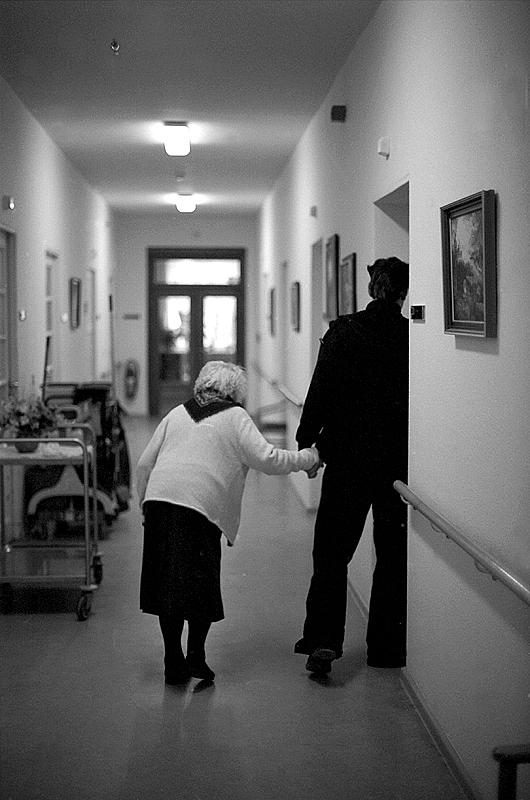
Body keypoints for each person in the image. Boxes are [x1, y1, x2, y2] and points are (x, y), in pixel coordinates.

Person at [137, 360, 320, 685]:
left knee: (167, 585)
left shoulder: (178, 412)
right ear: (235, 392)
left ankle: (172, 659)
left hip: (160, 503)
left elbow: (144, 463)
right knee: (198, 584)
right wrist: (308, 458)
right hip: (199, 508)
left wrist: (144, 506)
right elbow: (268, 458)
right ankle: (195, 655)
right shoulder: (235, 416)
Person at [294, 256, 409, 675]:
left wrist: (307, 439)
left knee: (331, 553)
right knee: (393, 556)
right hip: (397, 465)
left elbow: (320, 387)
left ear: (371, 288)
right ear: (402, 293)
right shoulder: (410, 337)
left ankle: (324, 640)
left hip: (346, 458)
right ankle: (386, 649)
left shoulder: (343, 332)